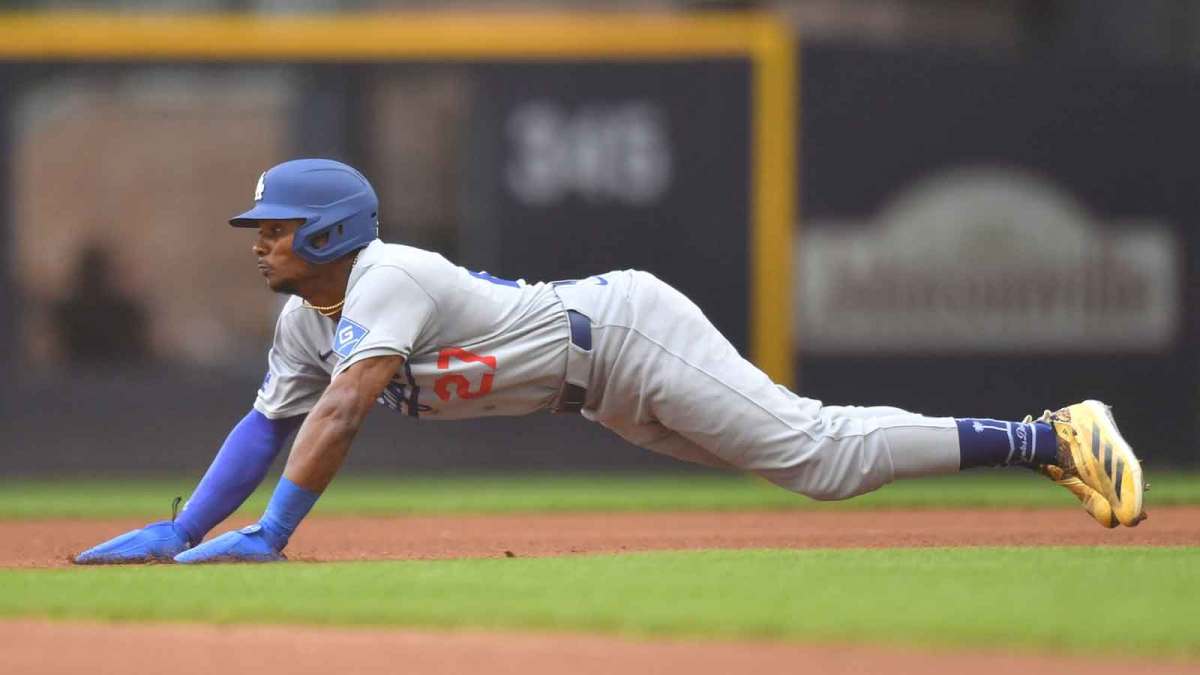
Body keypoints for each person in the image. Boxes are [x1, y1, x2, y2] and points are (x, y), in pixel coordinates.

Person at [74, 159, 1146, 565]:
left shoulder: (385, 275)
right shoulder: (304, 323)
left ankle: (1051, 435)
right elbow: (269, 422)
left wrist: (270, 535)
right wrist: (183, 526)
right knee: (805, 463)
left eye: (274, 225)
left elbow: (343, 413)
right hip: (600, 397)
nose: (257, 239)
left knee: (817, 455)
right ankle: (1044, 439)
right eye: (259, 226)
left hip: (627, 333)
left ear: (324, 234)